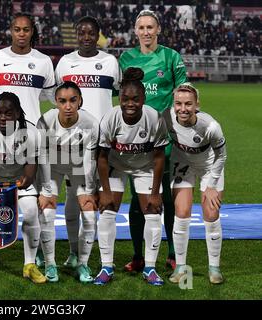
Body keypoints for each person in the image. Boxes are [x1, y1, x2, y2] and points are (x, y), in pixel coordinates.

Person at [0, 12, 55, 266]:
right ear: (11, 30)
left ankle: (40, 248)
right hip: (0, 136)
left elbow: (52, 98)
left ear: (33, 31)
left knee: (38, 193)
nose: (21, 34)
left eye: (26, 29)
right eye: (17, 29)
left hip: (34, 135)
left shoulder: (43, 61)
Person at [119, 9, 187, 272]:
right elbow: (123, 96)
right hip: (136, 140)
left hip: (167, 139)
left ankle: (171, 253)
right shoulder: (126, 58)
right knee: (138, 200)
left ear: (158, 29)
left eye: (150, 27)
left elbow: (183, 91)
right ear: (135, 31)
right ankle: (138, 255)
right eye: (142, 28)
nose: (146, 32)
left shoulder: (171, 57)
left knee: (167, 199)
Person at [54, 16, 120, 268]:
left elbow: (116, 93)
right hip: (72, 143)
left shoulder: (110, 62)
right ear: (76, 34)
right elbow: (59, 98)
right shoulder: (65, 63)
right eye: (81, 32)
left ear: (98, 34)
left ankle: (103, 257)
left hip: (103, 143)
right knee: (73, 198)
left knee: (101, 198)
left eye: (91, 33)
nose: (86, 37)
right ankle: (74, 253)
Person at [95, 67, 168, 286]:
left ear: (144, 99)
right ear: (120, 99)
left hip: (145, 167)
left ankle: (150, 268)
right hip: (116, 166)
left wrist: (155, 194)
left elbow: (159, 157)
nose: (130, 103)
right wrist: (106, 192)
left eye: (135, 99)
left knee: (154, 214)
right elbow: (102, 157)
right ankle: (106, 266)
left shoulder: (154, 118)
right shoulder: (110, 118)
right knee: (107, 212)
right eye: (125, 99)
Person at [0, 92, 49, 284]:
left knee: (31, 212)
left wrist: (26, 180)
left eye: (8, 112)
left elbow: (31, 169)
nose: (3, 117)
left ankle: (29, 265)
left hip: (18, 179)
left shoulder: (31, 133)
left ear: (18, 113)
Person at [163, 83, 226, 285]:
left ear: (197, 104)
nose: (183, 108)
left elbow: (221, 155)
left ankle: (214, 268)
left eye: (188, 104)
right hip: (182, 164)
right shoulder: (166, 118)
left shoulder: (210, 126)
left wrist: (211, 185)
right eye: (178, 104)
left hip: (210, 167)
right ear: (173, 104)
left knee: (211, 214)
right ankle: (181, 267)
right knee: (181, 213)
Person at [37, 81, 99, 283]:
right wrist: (47, 190)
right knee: (47, 211)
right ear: (56, 102)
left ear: (80, 100)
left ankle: (81, 262)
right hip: (53, 167)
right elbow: (43, 157)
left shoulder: (90, 123)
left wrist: (89, 190)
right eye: (62, 101)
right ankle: (50, 264)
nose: (68, 106)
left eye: (73, 100)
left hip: (79, 167)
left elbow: (90, 160)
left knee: (89, 214)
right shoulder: (45, 121)